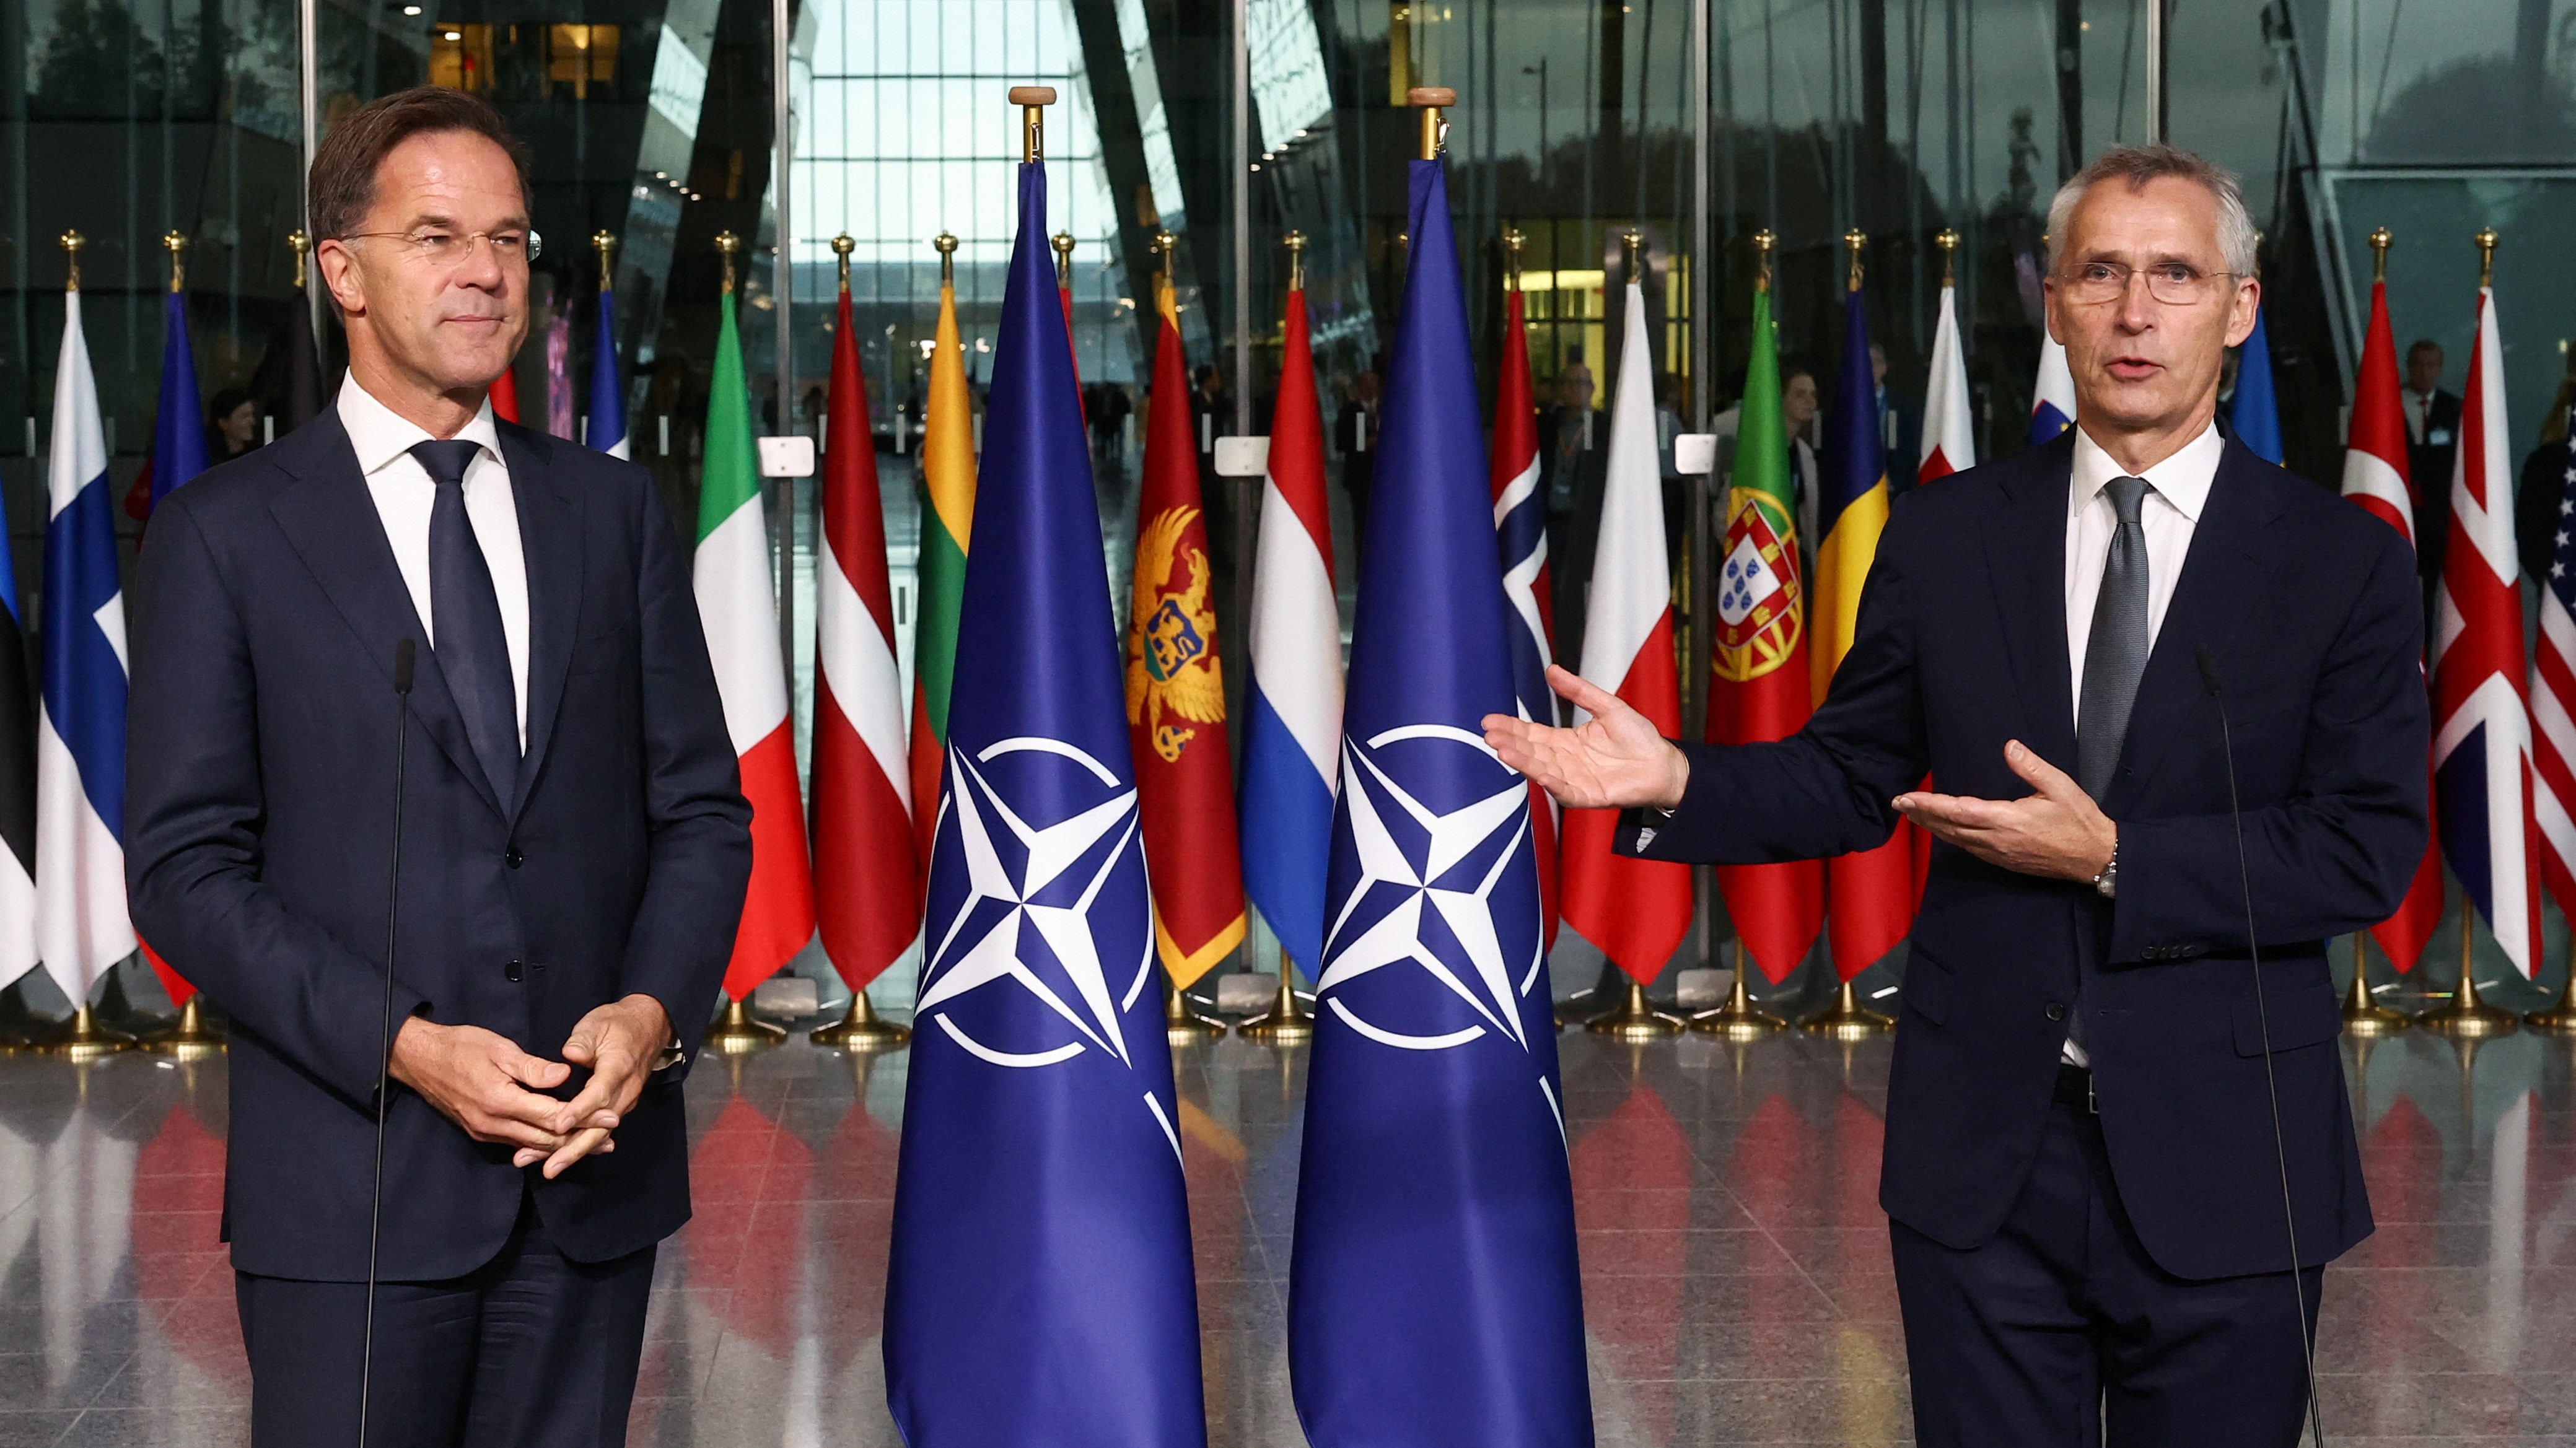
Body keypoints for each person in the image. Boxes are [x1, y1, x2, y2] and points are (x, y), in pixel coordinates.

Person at [1486, 144, 2423, 1447]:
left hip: (2230, 1163)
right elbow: (1852, 773)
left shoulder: (2342, 565)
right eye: (2101, 272)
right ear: (2054, 302)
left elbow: (2364, 846)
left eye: (2174, 274)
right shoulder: (1944, 532)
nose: (2135, 311)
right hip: (1987, 1160)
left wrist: (2115, 857)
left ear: (2242, 305)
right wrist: (1678, 775)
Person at [124, 86, 752, 1448]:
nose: (487, 270)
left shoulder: (610, 513)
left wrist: (650, 1014)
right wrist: (407, 1046)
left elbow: (701, 808)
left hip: (591, 1183)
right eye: (438, 235)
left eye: (512, 239)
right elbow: (183, 871)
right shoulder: (224, 536)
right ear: (339, 270)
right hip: (351, 1196)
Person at [2403, 338, 2462, 606]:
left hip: (2439, 515)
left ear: (2439, 368)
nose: (2424, 372)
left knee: (2434, 593)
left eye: (2431, 365)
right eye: (2419, 365)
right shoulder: (2389, 403)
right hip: (2401, 510)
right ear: (2409, 367)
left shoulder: (2454, 409)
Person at [208, 388, 261, 460]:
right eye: (245, 416)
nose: (253, 422)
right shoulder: (207, 459)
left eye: (252, 415)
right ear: (223, 423)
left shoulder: (258, 455)